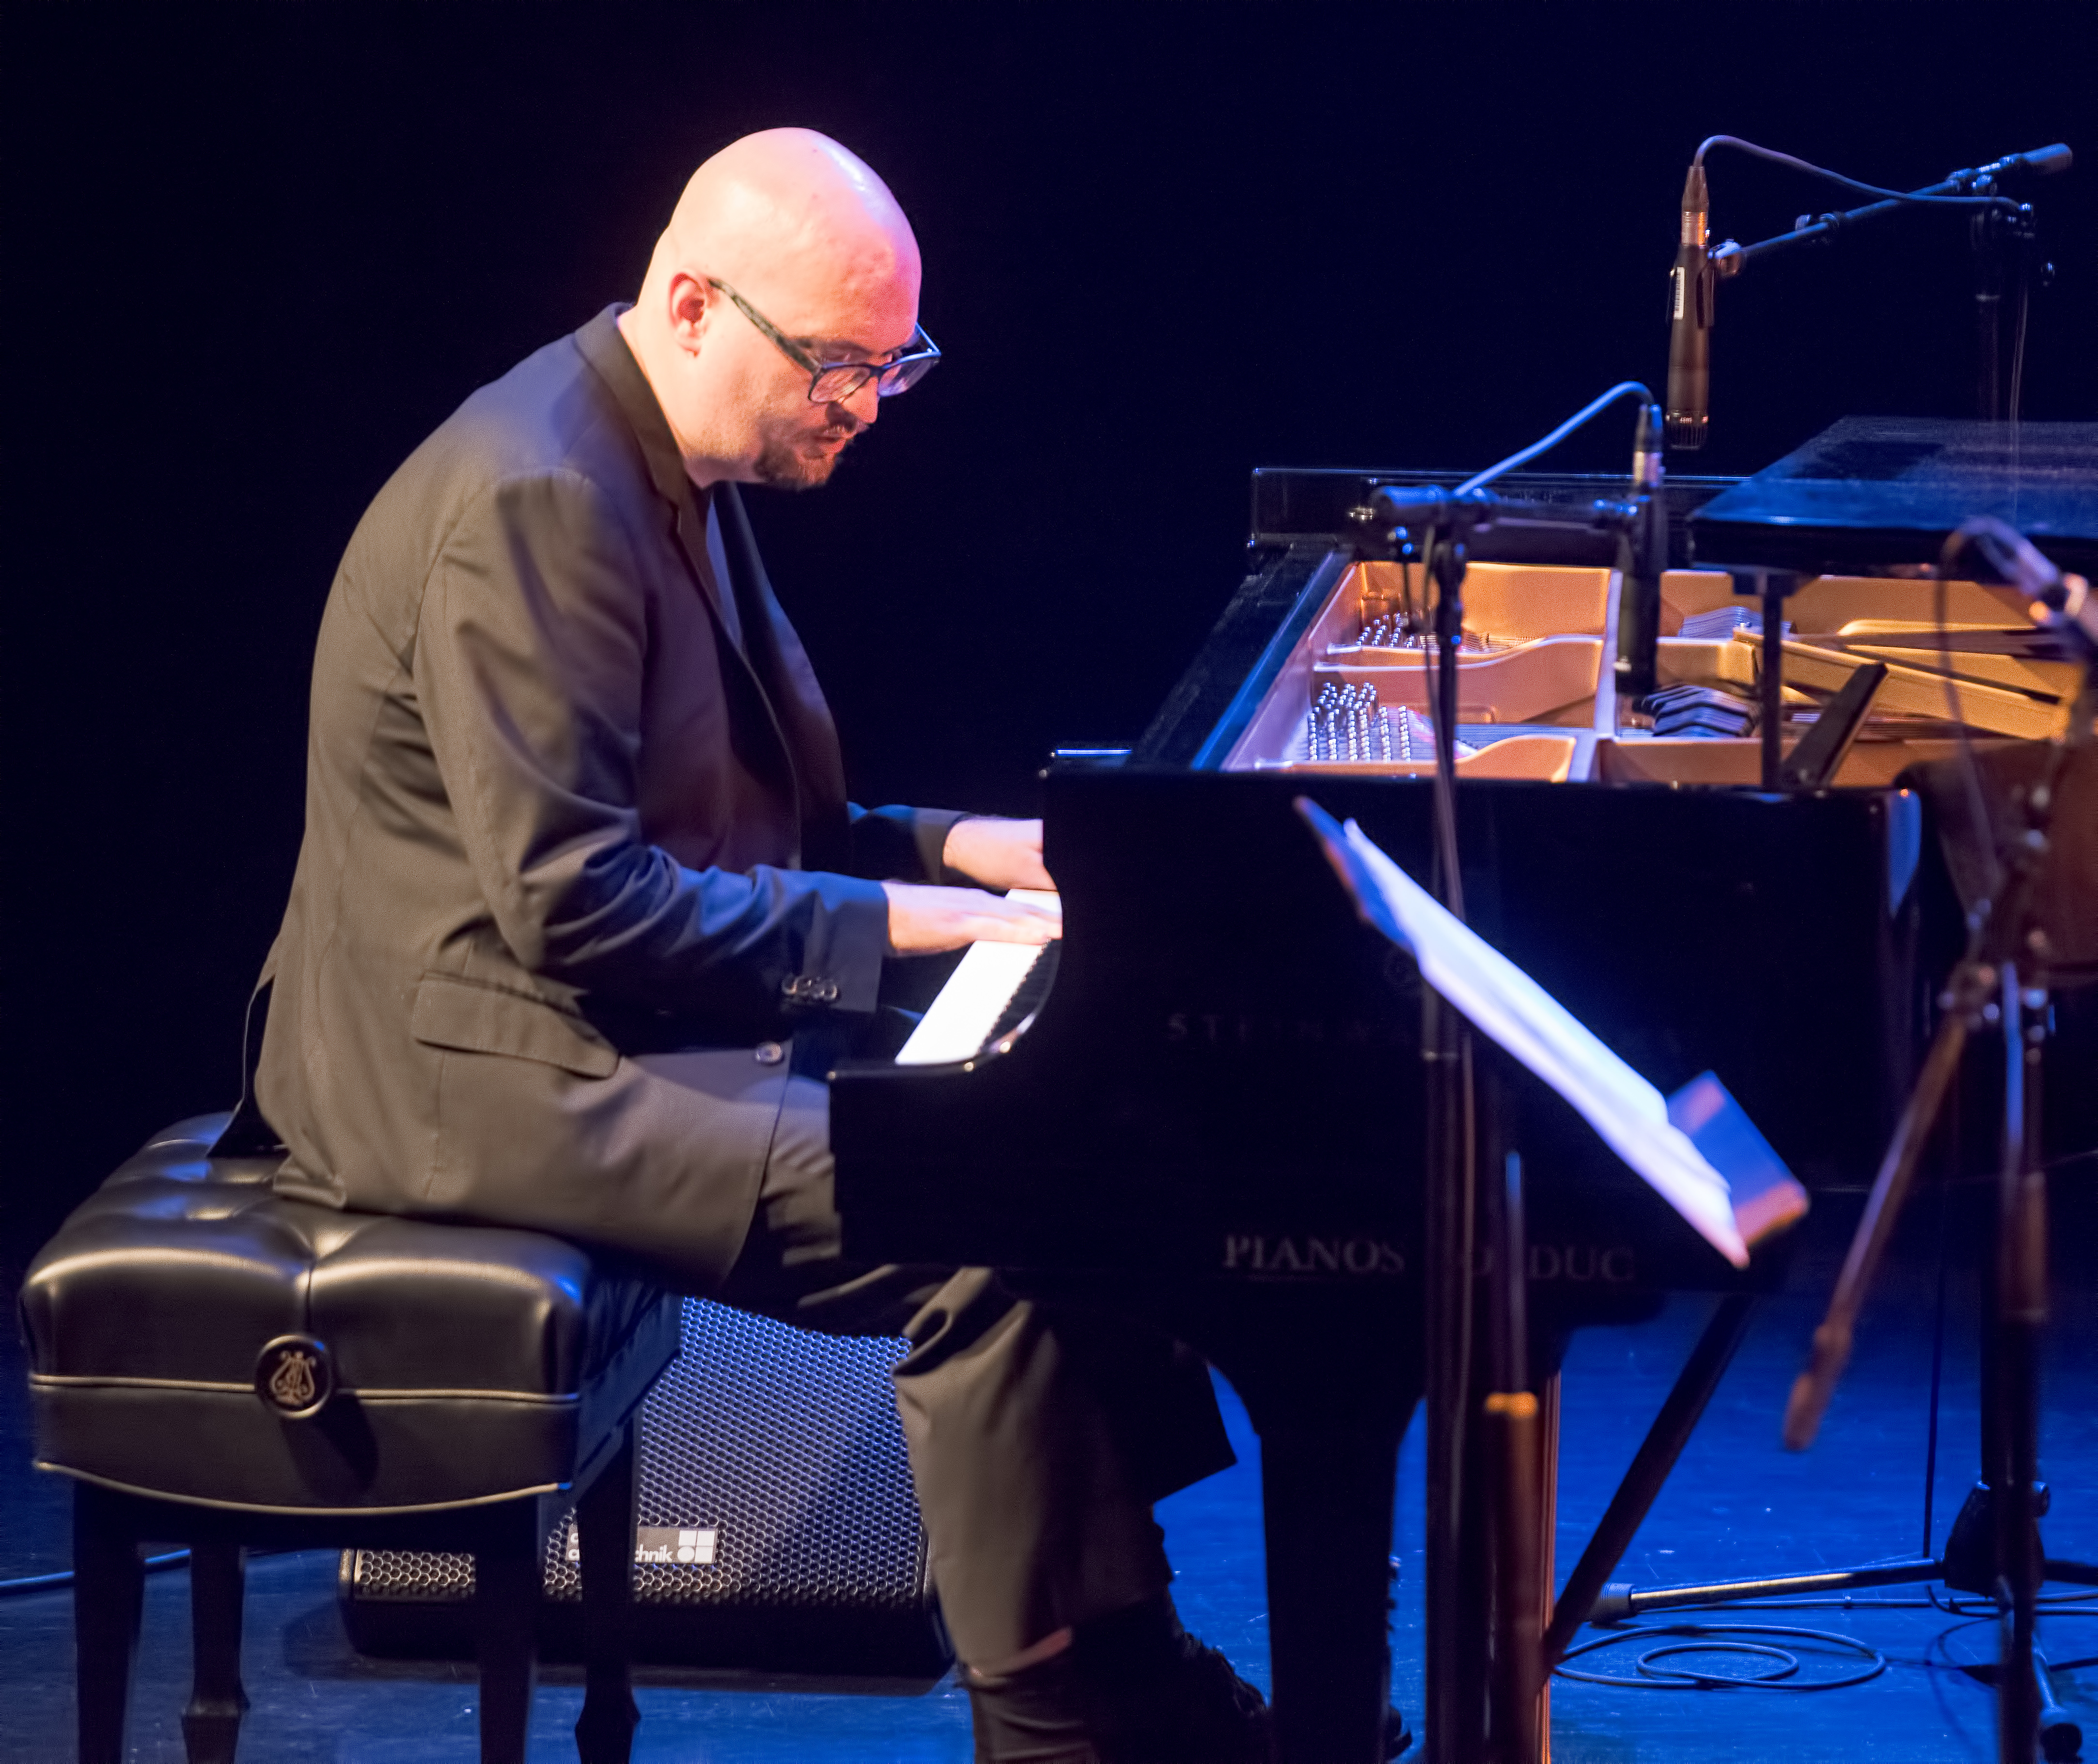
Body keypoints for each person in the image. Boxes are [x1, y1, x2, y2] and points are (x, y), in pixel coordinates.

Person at [247, 128, 1272, 1761]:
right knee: (983, 1226)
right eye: (839, 366)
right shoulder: (539, 497)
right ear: (693, 300)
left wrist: (977, 848)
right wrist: (932, 921)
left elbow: (752, 827)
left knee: (1075, 1152)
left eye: (892, 367)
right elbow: (576, 901)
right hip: (479, 1070)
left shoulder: (672, 464)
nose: (865, 407)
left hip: (587, 1015)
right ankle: (1053, 1727)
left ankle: (1132, 1661)